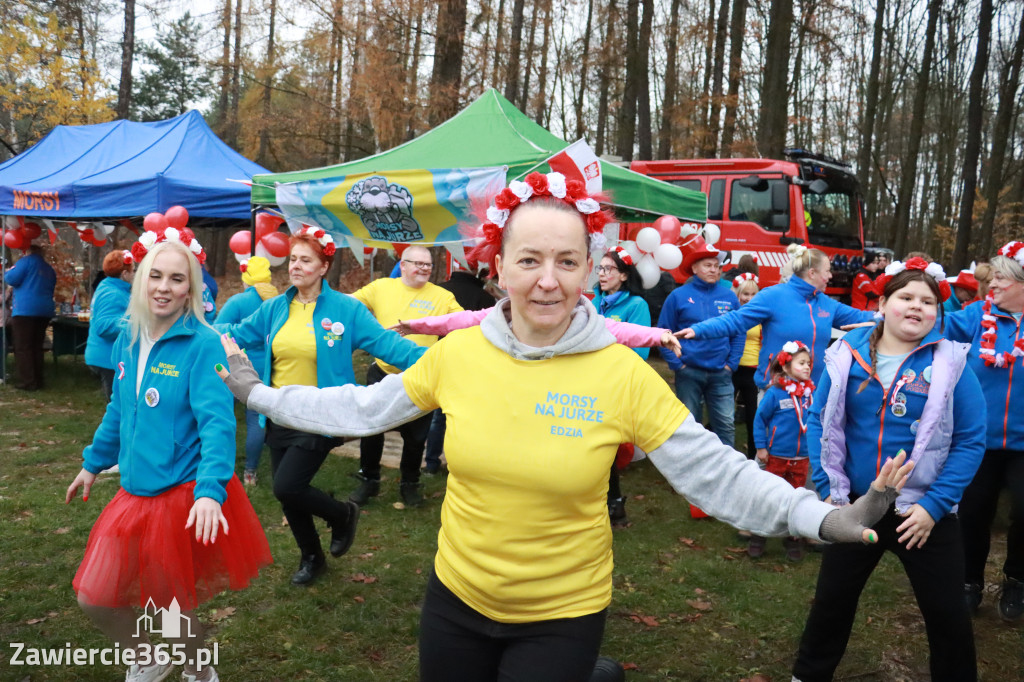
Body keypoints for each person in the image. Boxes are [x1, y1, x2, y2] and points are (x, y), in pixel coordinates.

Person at [219, 171, 914, 682]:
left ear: (590, 269)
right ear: (498, 269)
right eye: (529, 260)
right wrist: (262, 396)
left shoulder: (618, 373)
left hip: (561, 612)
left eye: (566, 261)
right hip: (456, 598)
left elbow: (713, 467)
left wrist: (818, 517)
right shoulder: (459, 354)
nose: (547, 280)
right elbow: (361, 410)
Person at [66, 232, 272, 682]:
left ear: (190, 290)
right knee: (95, 597)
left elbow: (217, 425)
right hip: (133, 492)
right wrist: (92, 462)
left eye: (176, 279)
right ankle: (147, 657)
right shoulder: (128, 338)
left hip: (179, 494)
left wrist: (209, 492)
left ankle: (200, 673)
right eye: (154, 276)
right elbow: (119, 409)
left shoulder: (203, 344)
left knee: (168, 608)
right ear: (139, 280)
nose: (163, 286)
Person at [791, 259, 986, 682]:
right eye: (906, 297)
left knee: (947, 614)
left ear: (938, 312)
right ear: (883, 303)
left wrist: (934, 506)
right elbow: (822, 421)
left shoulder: (952, 363)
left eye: (928, 301)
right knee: (831, 602)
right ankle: (807, 675)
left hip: (922, 515)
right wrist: (829, 489)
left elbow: (971, 439)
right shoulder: (846, 354)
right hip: (857, 508)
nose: (917, 307)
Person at [217, 226, 425, 586]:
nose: (295, 266)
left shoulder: (347, 309)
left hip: (322, 413)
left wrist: (442, 362)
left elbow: (389, 345)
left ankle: (343, 514)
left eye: (305, 260)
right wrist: (194, 331)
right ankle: (312, 557)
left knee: (286, 485)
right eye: (293, 259)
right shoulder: (274, 309)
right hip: (279, 410)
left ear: (324, 266)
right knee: (289, 496)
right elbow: (231, 334)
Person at [944, 241, 1024, 621]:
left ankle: (1017, 580)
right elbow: (932, 328)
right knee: (973, 512)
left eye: (1001, 279)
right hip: (978, 439)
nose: (991, 285)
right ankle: (968, 581)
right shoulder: (976, 316)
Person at [349, 244, 463, 508]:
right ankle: (368, 480)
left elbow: (462, 323)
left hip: (420, 378)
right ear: (402, 265)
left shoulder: (442, 296)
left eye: (428, 265)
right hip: (382, 373)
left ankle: (409, 484)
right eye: (417, 263)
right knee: (371, 430)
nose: (424, 269)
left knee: (415, 438)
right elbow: (349, 303)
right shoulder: (380, 287)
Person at [679, 242, 875, 389]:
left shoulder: (826, 303)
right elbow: (735, 321)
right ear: (813, 273)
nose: (831, 276)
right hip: (776, 389)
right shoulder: (773, 296)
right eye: (828, 271)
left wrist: (891, 314)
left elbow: (861, 317)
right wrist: (697, 330)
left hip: (813, 393)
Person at [658, 236, 742, 447]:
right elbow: (663, 332)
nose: (714, 269)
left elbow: (738, 331)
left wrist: (731, 364)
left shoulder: (730, 297)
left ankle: (727, 474)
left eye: (716, 265)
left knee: (725, 425)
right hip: (689, 372)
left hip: (721, 374)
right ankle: (691, 473)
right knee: (689, 427)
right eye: (708, 265)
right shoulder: (678, 296)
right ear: (694, 268)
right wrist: (678, 364)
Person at [594, 245, 652, 526]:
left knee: (609, 444)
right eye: (600, 268)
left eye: (609, 269)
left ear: (625, 275)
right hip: (589, 381)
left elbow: (639, 351)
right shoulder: (593, 303)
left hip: (617, 384)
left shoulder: (636, 306)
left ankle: (615, 505)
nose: (602, 274)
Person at [422, 259, 496, 475]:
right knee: (467, 416)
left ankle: (431, 463)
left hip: (441, 357)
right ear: (475, 271)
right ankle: (462, 464)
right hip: (474, 361)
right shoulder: (485, 298)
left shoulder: (438, 291)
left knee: (439, 414)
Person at [214, 256, 279, 487]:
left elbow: (216, 330)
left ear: (246, 279)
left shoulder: (237, 302)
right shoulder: (277, 301)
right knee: (256, 420)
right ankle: (250, 472)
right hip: (265, 368)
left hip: (235, 365)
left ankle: (220, 465)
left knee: (222, 415)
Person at [750, 340, 815, 560]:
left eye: (808, 363)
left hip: (802, 457)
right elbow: (760, 420)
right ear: (786, 367)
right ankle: (759, 535)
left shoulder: (810, 394)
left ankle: (792, 539)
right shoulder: (775, 393)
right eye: (801, 363)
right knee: (769, 496)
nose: (807, 367)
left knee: (796, 498)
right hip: (776, 456)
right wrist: (761, 447)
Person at [4, 243, 56, 390]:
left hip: (25, 310)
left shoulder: (25, 262)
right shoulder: (48, 268)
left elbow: (11, 279)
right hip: (44, 309)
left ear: (27, 252)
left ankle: (28, 382)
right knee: (37, 346)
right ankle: (38, 379)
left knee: (23, 347)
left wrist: (9, 271)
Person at [85, 250, 135, 402]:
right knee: (116, 404)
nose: (135, 274)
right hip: (108, 358)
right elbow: (103, 327)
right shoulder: (113, 293)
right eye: (133, 270)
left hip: (107, 356)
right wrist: (133, 321)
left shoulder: (109, 287)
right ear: (125, 274)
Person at [731, 273, 761, 459]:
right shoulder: (733, 313)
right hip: (733, 368)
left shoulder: (761, 315)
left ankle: (753, 456)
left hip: (754, 371)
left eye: (752, 294)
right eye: (745, 294)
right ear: (738, 294)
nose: (749, 298)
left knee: (753, 417)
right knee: (725, 416)